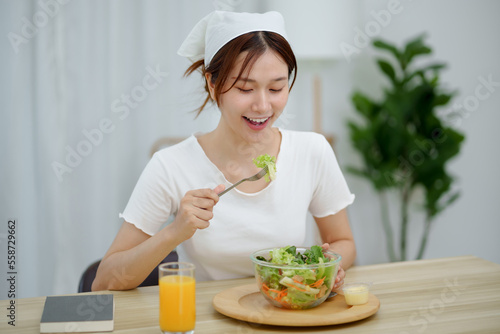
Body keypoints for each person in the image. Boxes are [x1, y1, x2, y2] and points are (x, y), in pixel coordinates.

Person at [92, 10, 356, 292]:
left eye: (277, 88)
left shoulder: (312, 151)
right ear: (212, 83)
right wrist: (173, 233)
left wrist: (327, 264)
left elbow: (344, 243)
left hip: (287, 314)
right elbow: (104, 281)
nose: (263, 106)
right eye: (245, 88)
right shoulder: (170, 165)